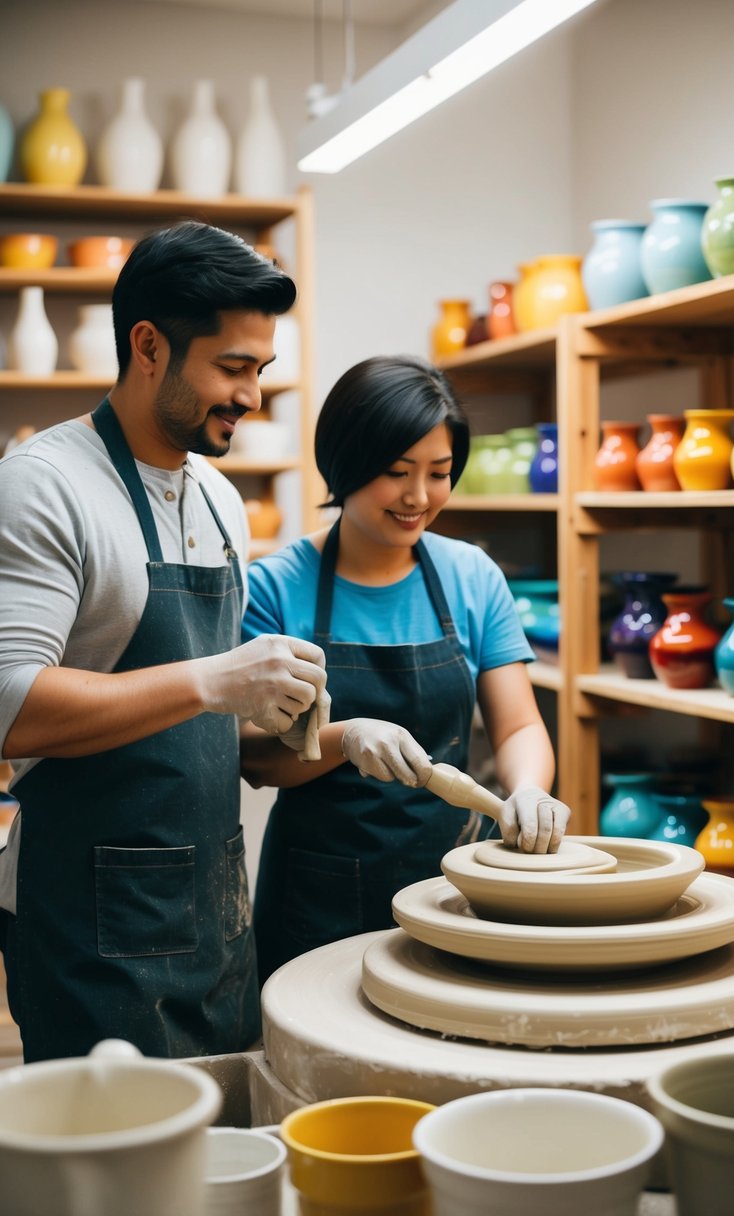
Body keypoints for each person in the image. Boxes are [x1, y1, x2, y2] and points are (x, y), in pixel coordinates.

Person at [0, 222, 330, 1063]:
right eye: (232, 367)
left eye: (260, 370)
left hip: (215, 912)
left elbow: (218, 738)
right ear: (148, 345)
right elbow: (9, 708)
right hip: (88, 926)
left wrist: (330, 739)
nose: (252, 395)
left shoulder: (218, 498)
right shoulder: (47, 487)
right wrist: (217, 680)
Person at [240, 354, 571, 981]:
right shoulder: (277, 586)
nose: (419, 497)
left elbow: (520, 726)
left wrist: (528, 788)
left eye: (440, 473)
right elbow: (252, 757)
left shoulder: (472, 576)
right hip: (316, 894)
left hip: (451, 881)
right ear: (344, 463)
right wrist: (345, 738)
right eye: (396, 472)